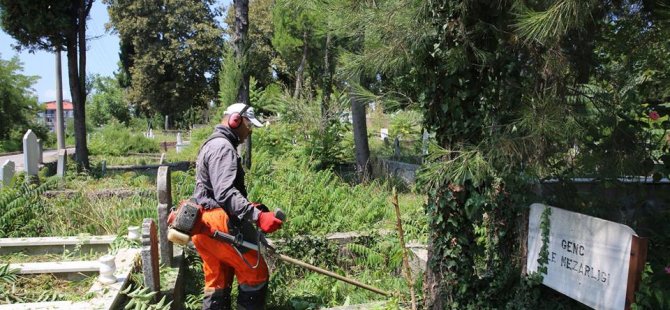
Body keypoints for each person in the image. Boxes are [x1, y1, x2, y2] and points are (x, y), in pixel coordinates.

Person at [191, 103, 283, 310]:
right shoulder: (224, 148)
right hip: (220, 222)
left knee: (217, 281)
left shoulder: (211, 144)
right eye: (249, 126)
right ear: (236, 120)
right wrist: (258, 216)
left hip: (202, 223)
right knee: (255, 274)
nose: (249, 132)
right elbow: (224, 193)